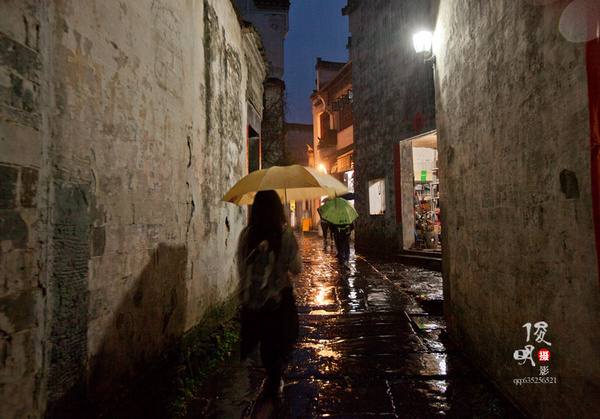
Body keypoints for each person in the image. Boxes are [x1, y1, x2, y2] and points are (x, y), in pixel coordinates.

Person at [236, 190, 302, 397]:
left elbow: (241, 266)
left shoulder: (247, 234)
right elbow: (297, 268)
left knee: (264, 341)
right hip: (278, 300)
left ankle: (272, 377)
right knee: (281, 338)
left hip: (254, 301)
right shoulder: (285, 234)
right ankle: (275, 380)